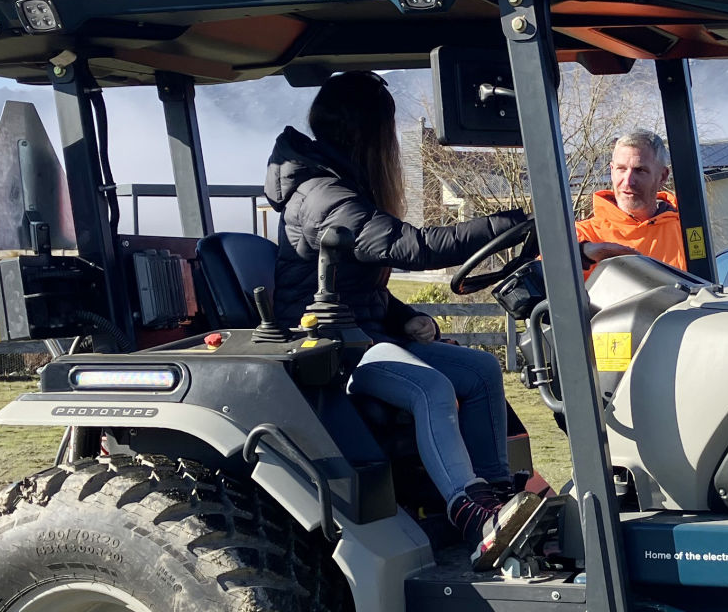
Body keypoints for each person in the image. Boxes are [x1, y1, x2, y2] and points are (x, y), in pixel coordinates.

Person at [265, 71, 544, 564]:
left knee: (479, 371)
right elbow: (406, 247)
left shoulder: (339, 184)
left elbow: (352, 281)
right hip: (330, 348)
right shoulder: (324, 196)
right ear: (367, 132)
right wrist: (504, 224)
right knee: (430, 385)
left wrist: (407, 316)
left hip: (364, 334)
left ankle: (497, 495)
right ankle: (470, 511)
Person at [577, 130, 687, 270]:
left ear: (663, 176)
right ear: (611, 171)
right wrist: (584, 254)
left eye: (640, 170)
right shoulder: (582, 237)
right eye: (621, 169)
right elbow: (544, 275)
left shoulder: (685, 233)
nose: (628, 181)